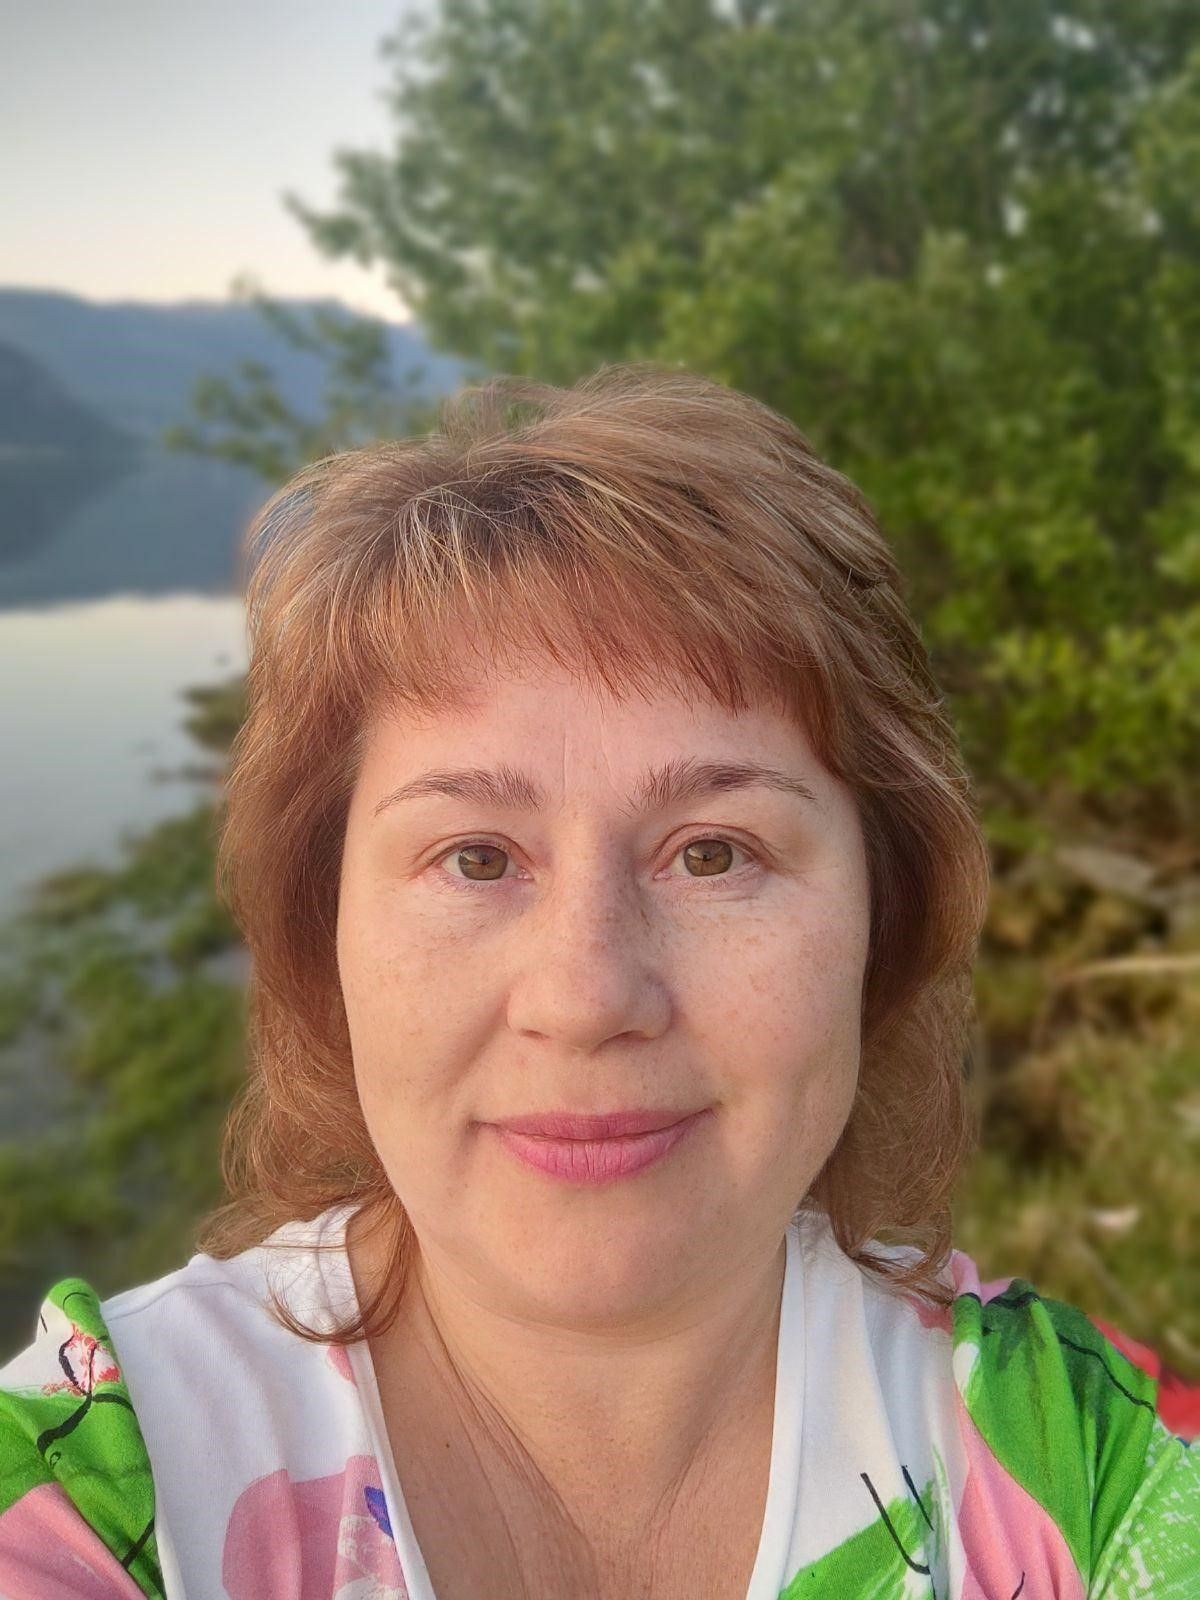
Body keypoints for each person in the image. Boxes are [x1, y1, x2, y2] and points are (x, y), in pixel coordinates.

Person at [0, 364, 1195, 1599]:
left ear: (879, 921)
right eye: (475, 857)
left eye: (713, 853)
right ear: (325, 933)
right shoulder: (97, 1477)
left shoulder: (1087, 1461)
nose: (585, 996)